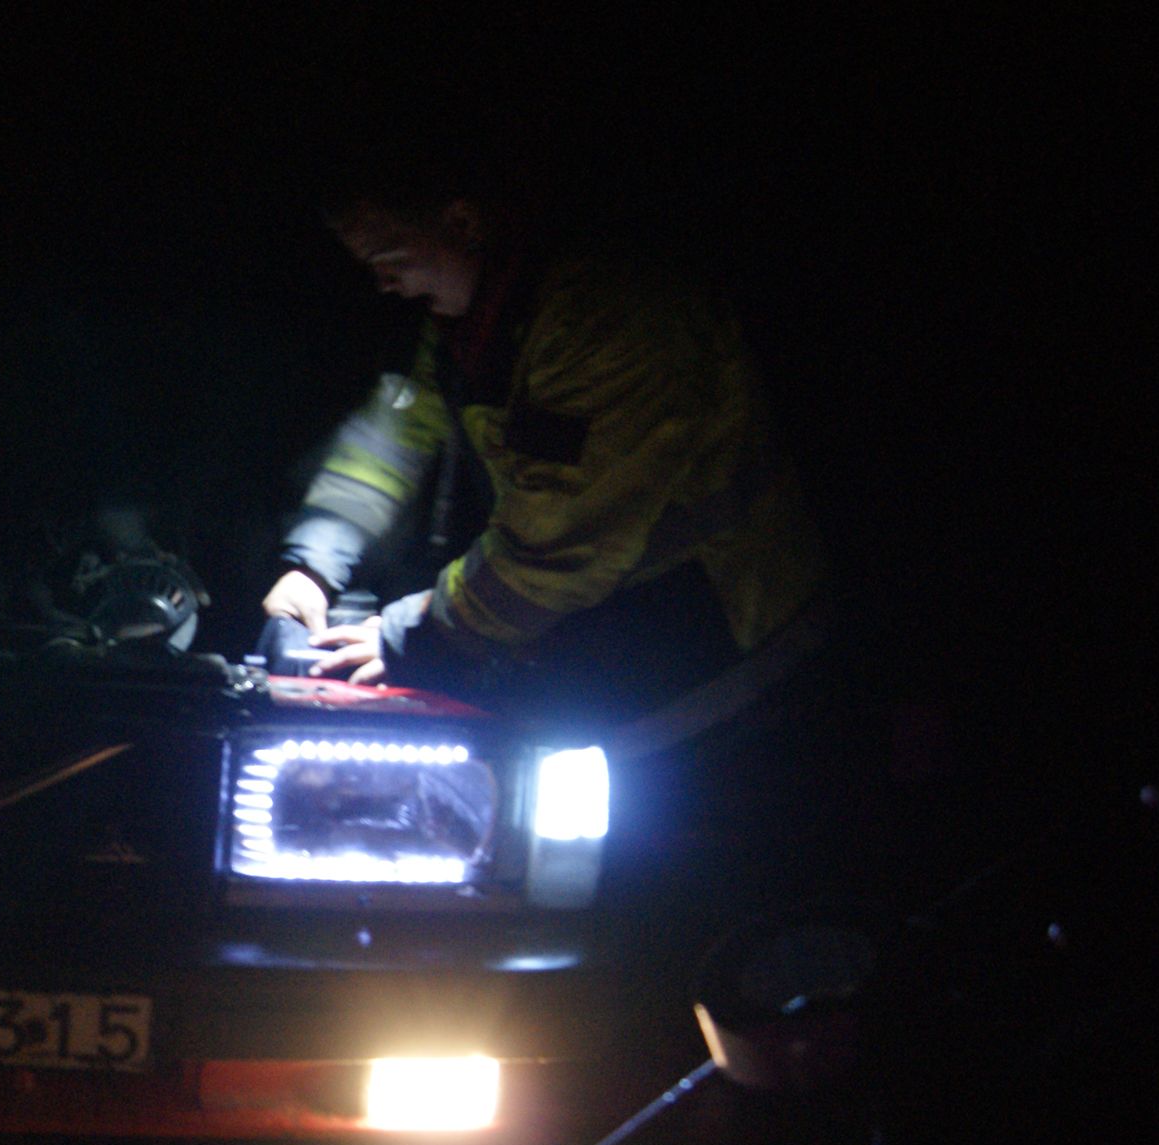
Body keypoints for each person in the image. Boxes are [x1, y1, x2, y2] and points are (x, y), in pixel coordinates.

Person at [263, 147, 828, 745]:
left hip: (727, 645)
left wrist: (409, 632)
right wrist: (314, 561)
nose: (383, 285)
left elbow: (556, 545)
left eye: (387, 257)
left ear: (462, 222)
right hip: (618, 637)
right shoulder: (472, 321)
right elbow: (394, 435)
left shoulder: (612, 321)